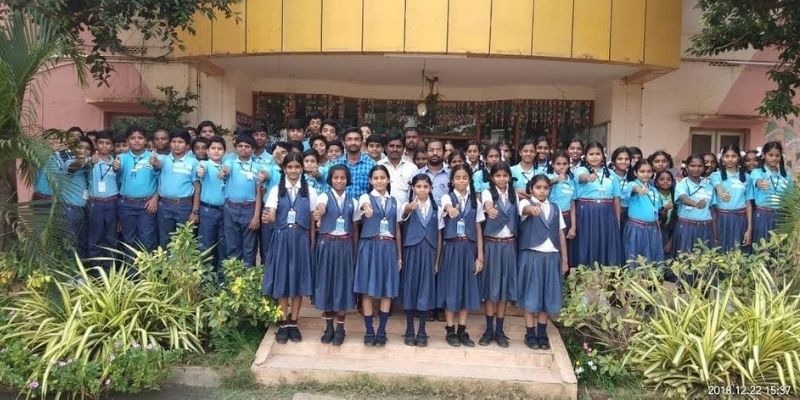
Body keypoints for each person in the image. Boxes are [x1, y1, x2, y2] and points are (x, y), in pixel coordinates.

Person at [263, 152, 317, 344]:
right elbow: (271, 214)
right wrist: (269, 216)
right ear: (284, 169)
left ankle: (294, 321)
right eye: (290, 167)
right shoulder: (276, 190)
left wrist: (312, 242)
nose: (293, 171)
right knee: (283, 280)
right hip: (282, 238)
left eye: (297, 167)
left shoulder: (309, 191)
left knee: (297, 280)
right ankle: (283, 322)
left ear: (302, 168)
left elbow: (312, 219)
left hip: (301, 239)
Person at [517, 175, 568, 350]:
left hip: (552, 257)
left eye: (545, 188)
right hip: (532, 256)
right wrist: (531, 209)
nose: (542, 191)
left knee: (547, 296)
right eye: (538, 187)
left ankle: (541, 333)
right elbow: (525, 210)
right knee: (531, 296)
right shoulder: (525, 203)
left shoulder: (555, 207)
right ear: (531, 189)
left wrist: (564, 260)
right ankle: (530, 333)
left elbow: (561, 234)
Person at [437, 165, 485, 347]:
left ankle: (462, 330)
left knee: (466, 288)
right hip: (452, 248)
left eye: (465, 177)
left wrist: (480, 256)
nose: (461, 181)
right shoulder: (447, 197)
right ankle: (450, 329)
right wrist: (450, 208)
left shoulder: (475, 202)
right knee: (451, 288)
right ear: (452, 180)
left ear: (469, 180)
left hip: (469, 248)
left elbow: (478, 227)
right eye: (457, 177)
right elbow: (446, 205)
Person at [354, 165, 401, 347]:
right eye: (375, 178)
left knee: (386, 290)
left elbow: (397, 229)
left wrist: (399, 256)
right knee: (367, 289)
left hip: (388, 246)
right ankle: (369, 330)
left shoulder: (395, 201)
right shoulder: (366, 197)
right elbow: (364, 205)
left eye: (382, 177)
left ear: (388, 180)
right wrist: (367, 209)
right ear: (370, 180)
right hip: (369, 246)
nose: (379, 181)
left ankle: (381, 330)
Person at [312, 165, 359, 346]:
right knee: (327, 284)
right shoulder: (324, 196)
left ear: (347, 180)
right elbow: (321, 207)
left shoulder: (353, 201)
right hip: (327, 244)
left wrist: (354, 250)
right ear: (330, 179)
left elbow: (355, 228)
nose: (339, 181)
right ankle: (329, 327)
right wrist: (319, 211)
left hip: (345, 245)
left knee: (343, 285)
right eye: (335, 177)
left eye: (343, 178)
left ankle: (340, 328)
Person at [399, 174, 441, 347]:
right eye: (418, 187)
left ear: (430, 189)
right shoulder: (407, 205)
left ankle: (422, 330)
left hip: (429, 251)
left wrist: (437, 260)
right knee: (410, 288)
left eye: (425, 187)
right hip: (412, 251)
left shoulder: (437, 208)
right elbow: (402, 218)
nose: (422, 190)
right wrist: (408, 209)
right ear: (413, 188)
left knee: (425, 289)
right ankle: (410, 329)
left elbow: (439, 235)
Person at [479, 162, 517, 348]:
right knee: (490, 288)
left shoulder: (514, 195)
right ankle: (488, 329)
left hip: (509, 245)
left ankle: (500, 330)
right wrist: (489, 208)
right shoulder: (488, 193)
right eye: (497, 176)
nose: (501, 179)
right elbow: (487, 203)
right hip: (491, 245)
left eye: (505, 175)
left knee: (503, 289)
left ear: (509, 177)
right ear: (492, 178)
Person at [574, 142, 623, 267]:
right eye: (591, 154)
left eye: (597, 154)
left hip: (607, 213)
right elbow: (581, 177)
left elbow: (616, 198)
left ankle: (605, 275)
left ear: (603, 156)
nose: (594, 157)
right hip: (587, 212)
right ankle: (586, 274)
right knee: (587, 241)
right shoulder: (581, 170)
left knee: (606, 242)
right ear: (585, 156)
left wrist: (617, 220)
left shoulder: (611, 173)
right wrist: (588, 177)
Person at [113, 126, 159, 252]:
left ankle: (147, 265)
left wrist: (155, 199)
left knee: (147, 239)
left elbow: (161, 181)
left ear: (146, 140)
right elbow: (116, 179)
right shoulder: (121, 158)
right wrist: (116, 169)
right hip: (126, 204)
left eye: (140, 138)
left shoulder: (153, 157)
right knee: (128, 240)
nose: (137, 141)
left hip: (147, 205)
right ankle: (130, 265)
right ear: (127, 141)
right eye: (132, 138)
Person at [152, 128, 200, 249]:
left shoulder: (193, 162)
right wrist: (155, 163)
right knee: (165, 239)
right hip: (164, 205)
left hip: (184, 206)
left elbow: (197, 187)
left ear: (187, 145)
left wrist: (195, 211)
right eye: (174, 141)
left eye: (180, 142)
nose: (176, 145)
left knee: (184, 241)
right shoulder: (163, 160)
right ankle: (165, 262)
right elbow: (156, 165)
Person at [222, 134, 262, 266]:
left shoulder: (257, 167)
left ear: (253, 149)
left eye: (247, 146)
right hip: (230, 208)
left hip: (249, 209)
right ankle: (233, 276)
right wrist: (223, 172)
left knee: (249, 248)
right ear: (236, 148)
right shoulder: (230, 162)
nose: (243, 148)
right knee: (232, 246)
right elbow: (226, 170)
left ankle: (248, 277)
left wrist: (256, 216)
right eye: (240, 146)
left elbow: (258, 193)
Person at [710, 145, 752, 252]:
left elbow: (748, 203)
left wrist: (749, 228)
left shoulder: (747, 177)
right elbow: (718, 186)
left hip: (741, 219)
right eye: (727, 156)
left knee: (739, 252)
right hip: (722, 218)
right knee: (721, 250)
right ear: (722, 158)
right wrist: (721, 192)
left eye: (733, 156)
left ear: (739, 158)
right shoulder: (715, 175)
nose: (730, 159)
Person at [673, 155, 715, 258]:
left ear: (704, 168)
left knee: (704, 260)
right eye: (692, 165)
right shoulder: (682, 184)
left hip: (706, 227)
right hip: (687, 227)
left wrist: (715, 233)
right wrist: (695, 204)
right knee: (685, 259)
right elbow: (683, 198)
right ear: (687, 167)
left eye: (699, 166)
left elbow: (712, 209)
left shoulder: (709, 186)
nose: (696, 169)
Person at [622, 160, 664, 264]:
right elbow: (633, 188)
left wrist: (658, 230)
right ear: (635, 173)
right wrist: (639, 190)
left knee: (651, 259)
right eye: (642, 171)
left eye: (649, 171)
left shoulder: (654, 190)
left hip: (652, 228)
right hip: (637, 228)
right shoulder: (632, 184)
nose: (646, 174)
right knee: (635, 258)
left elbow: (656, 212)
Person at [750, 141, 792, 243]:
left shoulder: (786, 175)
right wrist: (761, 183)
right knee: (762, 246)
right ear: (764, 155)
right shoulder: (757, 172)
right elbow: (758, 181)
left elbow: (791, 197)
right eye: (771, 155)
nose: (774, 158)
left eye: (777, 155)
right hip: (763, 214)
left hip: (781, 216)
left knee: (780, 247)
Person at [196, 136, 228, 270]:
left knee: (223, 245)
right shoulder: (205, 164)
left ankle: (221, 277)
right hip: (208, 211)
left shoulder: (227, 166)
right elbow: (200, 172)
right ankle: (205, 277)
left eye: (219, 148)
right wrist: (201, 171)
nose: (216, 151)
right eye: (213, 148)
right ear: (207, 151)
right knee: (206, 245)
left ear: (224, 152)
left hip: (226, 211)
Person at [87, 130, 119, 262]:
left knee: (111, 237)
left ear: (112, 146)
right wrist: (89, 163)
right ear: (96, 144)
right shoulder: (91, 161)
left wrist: (118, 169)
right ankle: (95, 269)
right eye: (101, 143)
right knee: (95, 236)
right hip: (96, 203)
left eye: (108, 143)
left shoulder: (116, 163)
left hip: (113, 202)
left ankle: (110, 267)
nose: (104, 146)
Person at [62, 136, 93, 260]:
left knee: (82, 242)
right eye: (80, 147)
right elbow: (74, 166)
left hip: (85, 208)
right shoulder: (69, 162)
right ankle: (68, 269)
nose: (83, 151)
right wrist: (88, 159)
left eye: (87, 148)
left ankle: (81, 268)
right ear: (74, 149)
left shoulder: (90, 166)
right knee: (69, 243)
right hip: (70, 209)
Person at [546, 153, 577, 267]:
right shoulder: (548, 177)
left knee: (565, 249)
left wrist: (573, 227)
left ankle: (564, 274)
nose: (561, 166)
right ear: (553, 165)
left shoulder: (572, 181)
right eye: (558, 164)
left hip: (566, 217)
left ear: (569, 165)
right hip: (551, 218)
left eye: (564, 164)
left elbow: (572, 205)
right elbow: (544, 186)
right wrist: (555, 180)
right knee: (552, 247)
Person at [329, 127, 377, 199]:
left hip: (365, 205)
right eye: (349, 139)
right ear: (344, 143)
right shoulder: (335, 165)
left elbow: (376, 190)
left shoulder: (371, 165)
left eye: (356, 139)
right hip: (340, 205)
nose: (353, 143)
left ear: (361, 142)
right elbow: (329, 189)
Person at [378, 133, 419, 204]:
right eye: (391, 146)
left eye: (399, 146)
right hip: (382, 208)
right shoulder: (378, 166)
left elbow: (417, 191)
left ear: (403, 148)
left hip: (407, 209)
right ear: (386, 148)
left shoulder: (412, 168)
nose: (395, 149)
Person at [418, 139, 450, 207]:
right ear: (426, 153)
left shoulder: (451, 175)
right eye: (431, 150)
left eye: (438, 150)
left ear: (444, 152)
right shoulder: (417, 174)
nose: (435, 153)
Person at [654, 170, 677, 259]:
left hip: (669, 232)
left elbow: (677, 220)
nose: (665, 181)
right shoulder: (653, 195)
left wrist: (671, 240)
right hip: (655, 231)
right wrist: (665, 209)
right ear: (656, 182)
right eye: (662, 179)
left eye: (668, 179)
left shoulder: (675, 196)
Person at [610, 146, 632, 231]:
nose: (623, 161)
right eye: (620, 159)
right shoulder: (608, 177)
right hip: (611, 212)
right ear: (614, 161)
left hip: (629, 215)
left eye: (627, 159)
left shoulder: (633, 178)